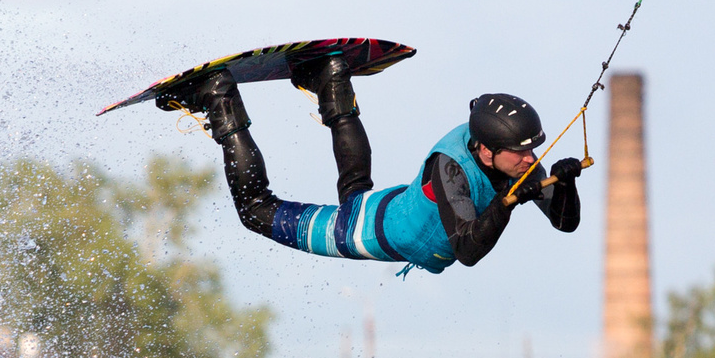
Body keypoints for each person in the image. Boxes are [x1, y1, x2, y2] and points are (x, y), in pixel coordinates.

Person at [165, 50, 584, 274]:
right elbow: (469, 250)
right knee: (255, 212)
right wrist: (508, 203)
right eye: (523, 153)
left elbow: (565, 223)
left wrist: (565, 184)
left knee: (355, 190)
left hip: (392, 204)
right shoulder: (450, 168)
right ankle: (218, 100)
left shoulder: (513, 156)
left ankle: (332, 77)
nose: (532, 160)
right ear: (486, 150)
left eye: (533, 151)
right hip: (363, 232)